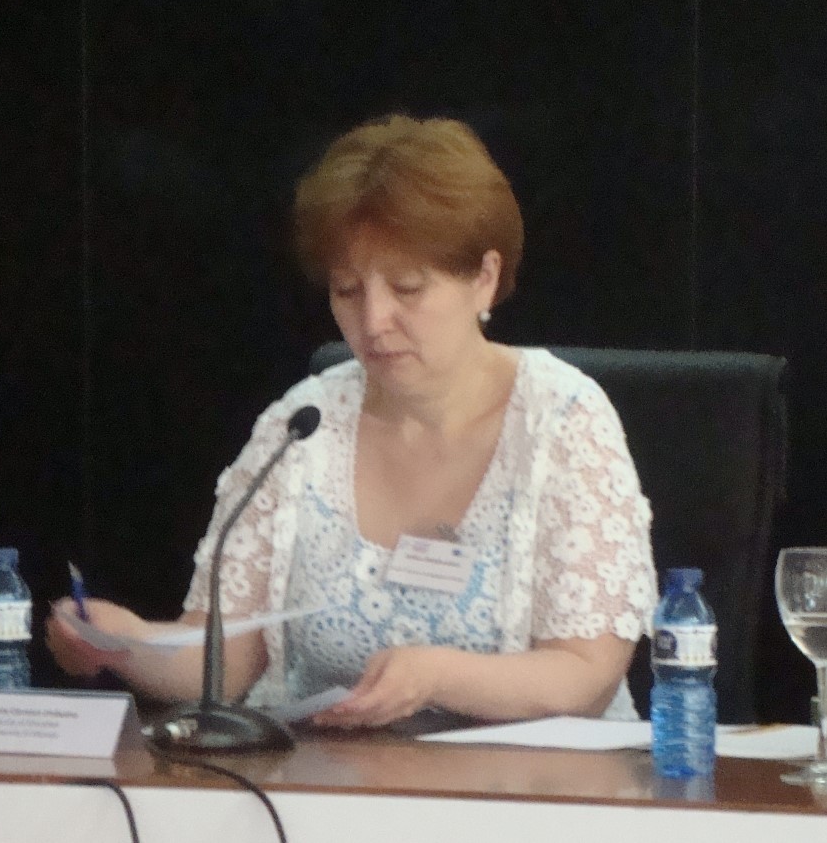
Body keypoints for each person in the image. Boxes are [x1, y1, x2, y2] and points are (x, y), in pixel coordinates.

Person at [47, 114, 656, 727]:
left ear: (485, 279)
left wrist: (437, 675)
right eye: (347, 290)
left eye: (407, 287)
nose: (374, 321)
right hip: (329, 793)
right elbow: (222, 666)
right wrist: (126, 642)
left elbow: (586, 673)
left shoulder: (562, 422)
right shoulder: (304, 425)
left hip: (531, 799)